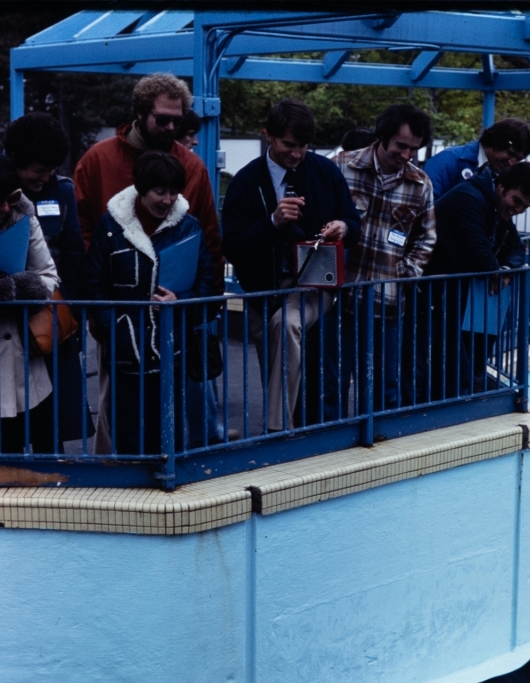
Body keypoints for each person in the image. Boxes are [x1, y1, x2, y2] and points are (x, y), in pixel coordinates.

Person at [74, 73, 225, 452]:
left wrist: (198, 304)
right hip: (119, 312)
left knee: (178, 403)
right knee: (118, 405)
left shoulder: (191, 167)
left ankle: (182, 466)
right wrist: (102, 315)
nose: (173, 127)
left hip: (175, 315)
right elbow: (83, 232)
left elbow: (206, 236)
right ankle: (115, 477)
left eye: (178, 120)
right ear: (140, 113)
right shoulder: (98, 160)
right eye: (163, 119)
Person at [222, 98, 360, 432]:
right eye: (289, 145)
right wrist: (272, 222)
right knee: (274, 361)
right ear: (268, 135)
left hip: (313, 284)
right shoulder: (245, 182)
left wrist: (342, 226)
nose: (297, 154)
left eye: (303, 146)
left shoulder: (324, 171)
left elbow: (353, 223)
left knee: (287, 327)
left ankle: (279, 426)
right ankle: (295, 429)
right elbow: (233, 247)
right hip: (264, 289)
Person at [85, 152, 215, 455]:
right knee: (126, 425)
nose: (167, 199)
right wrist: (112, 326)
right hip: (125, 347)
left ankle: (170, 485)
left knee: (170, 426)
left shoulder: (189, 226)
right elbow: (94, 283)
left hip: (173, 346)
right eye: (160, 191)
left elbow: (206, 280)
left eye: (173, 191)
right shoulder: (110, 227)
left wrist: (180, 300)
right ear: (141, 189)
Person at [330, 102, 436, 413]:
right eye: (401, 146)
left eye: (413, 149)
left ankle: (378, 447)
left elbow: (427, 236)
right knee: (331, 382)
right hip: (339, 297)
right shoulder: (340, 166)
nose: (405, 155)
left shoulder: (420, 184)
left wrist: (407, 271)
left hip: (387, 301)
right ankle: (329, 448)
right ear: (382, 137)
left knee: (383, 384)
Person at [4, 112, 94, 450]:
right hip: (7, 325)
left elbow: (73, 258)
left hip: (49, 319)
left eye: (51, 169)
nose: (46, 177)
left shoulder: (63, 191)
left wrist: (73, 317)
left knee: (52, 427)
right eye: (38, 170)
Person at [422, 161, 530, 397]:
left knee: (462, 350)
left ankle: (457, 391)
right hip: (433, 288)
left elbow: (517, 248)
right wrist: (496, 271)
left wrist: (506, 267)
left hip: (456, 290)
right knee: (443, 350)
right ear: (501, 187)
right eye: (516, 201)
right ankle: (446, 399)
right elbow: (479, 254)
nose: (518, 210)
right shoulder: (469, 198)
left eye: (524, 207)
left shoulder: (494, 206)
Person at [0, 156, 59, 452]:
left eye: (8, 199)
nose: (5, 208)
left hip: (22, 357)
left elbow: (48, 276)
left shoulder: (23, 215)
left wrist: (14, 289)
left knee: (33, 449)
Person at [424, 118, 530, 202]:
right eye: (511, 154)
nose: (512, 163)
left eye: (518, 159)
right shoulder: (450, 159)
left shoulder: (498, 176)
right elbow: (424, 204)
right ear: (496, 141)